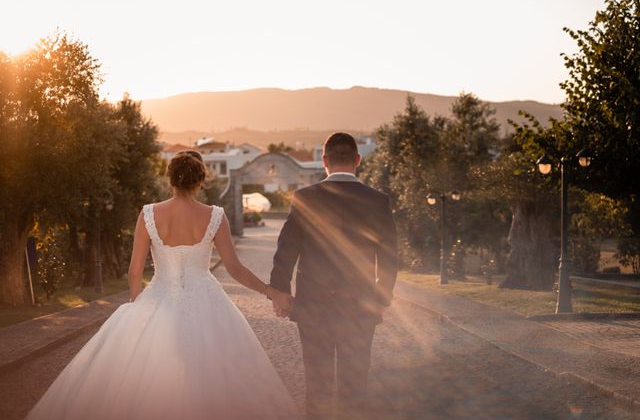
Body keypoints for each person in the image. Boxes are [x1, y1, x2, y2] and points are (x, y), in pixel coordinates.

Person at [27, 150, 298, 420]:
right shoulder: (215, 216)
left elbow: (134, 272)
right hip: (207, 301)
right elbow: (235, 268)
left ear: (170, 180)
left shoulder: (148, 214)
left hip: (159, 297)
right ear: (200, 181)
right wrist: (269, 291)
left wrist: (138, 307)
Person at [269, 132, 399, 419]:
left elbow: (286, 250)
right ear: (357, 160)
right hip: (361, 307)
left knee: (317, 385)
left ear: (324, 161)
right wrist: (382, 298)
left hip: (313, 307)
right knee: (355, 387)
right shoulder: (378, 200)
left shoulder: (305, 197)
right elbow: (389, 258)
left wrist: (279, 292)